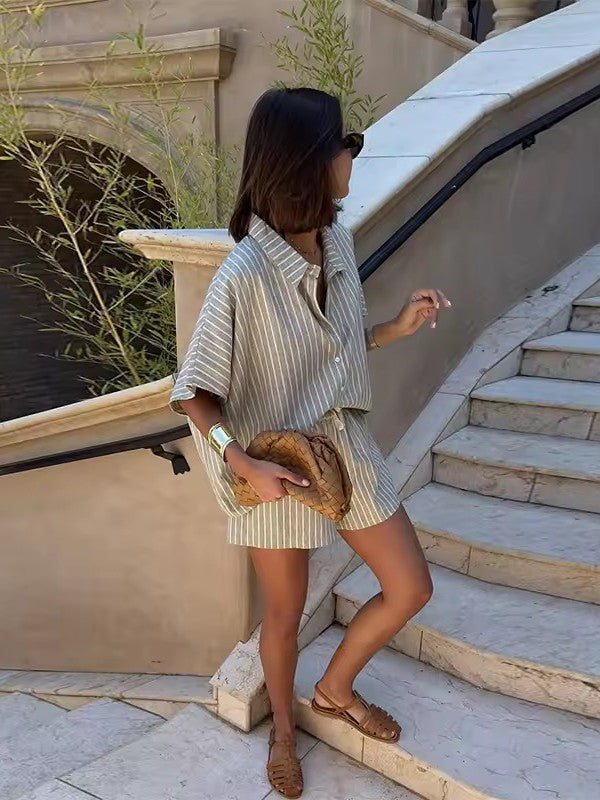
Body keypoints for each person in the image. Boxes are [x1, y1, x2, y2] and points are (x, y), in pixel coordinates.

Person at [170, 87, 451, 799]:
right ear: (306, 161)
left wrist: (394, 328)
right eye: (345, 143)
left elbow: (334, 349)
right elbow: (193, 393)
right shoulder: (243, 275)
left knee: (410, 586)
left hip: (344, 444)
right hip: (275, 465)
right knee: (285, 614)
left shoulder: (338, 242)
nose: (353, 154)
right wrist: (242, 461)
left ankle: (333, 690)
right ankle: (284, 737)